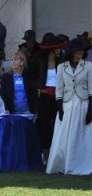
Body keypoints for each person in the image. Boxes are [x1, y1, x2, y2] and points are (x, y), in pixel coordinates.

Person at [46, 37, 92, 175]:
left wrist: (90, 109)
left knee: (83, 134)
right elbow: (59, 89)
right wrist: (60, 107)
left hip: (83, 103)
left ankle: (83, 163)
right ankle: (62, 163)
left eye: (82, 51)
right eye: (78, 51)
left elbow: (91, 88)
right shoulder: (62, 67)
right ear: (72, 52)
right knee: (64, 134)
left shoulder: (89, 66)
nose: (81, 53)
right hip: (67, 105)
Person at [33, 34, 66, 164]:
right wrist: (37, 87)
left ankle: (57, 156)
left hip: (58, 96)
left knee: (58, 124)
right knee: (44, 125)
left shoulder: (62, 61)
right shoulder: (39, 60)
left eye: (60, 48)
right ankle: (46, 156)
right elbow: (29, 74)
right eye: (56, 48)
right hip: (44, 95)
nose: (59, 50)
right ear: (50, 49)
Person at [0, 50, 37, 114]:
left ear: (22, 62)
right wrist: (6, 108)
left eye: (16, 60)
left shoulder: (28, 77)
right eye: (12, 60)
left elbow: (34, 94)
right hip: (12, 112)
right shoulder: (6, 77)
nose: (13, 62)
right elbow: (2, 94)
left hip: (27, 111)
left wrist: (35, 110)